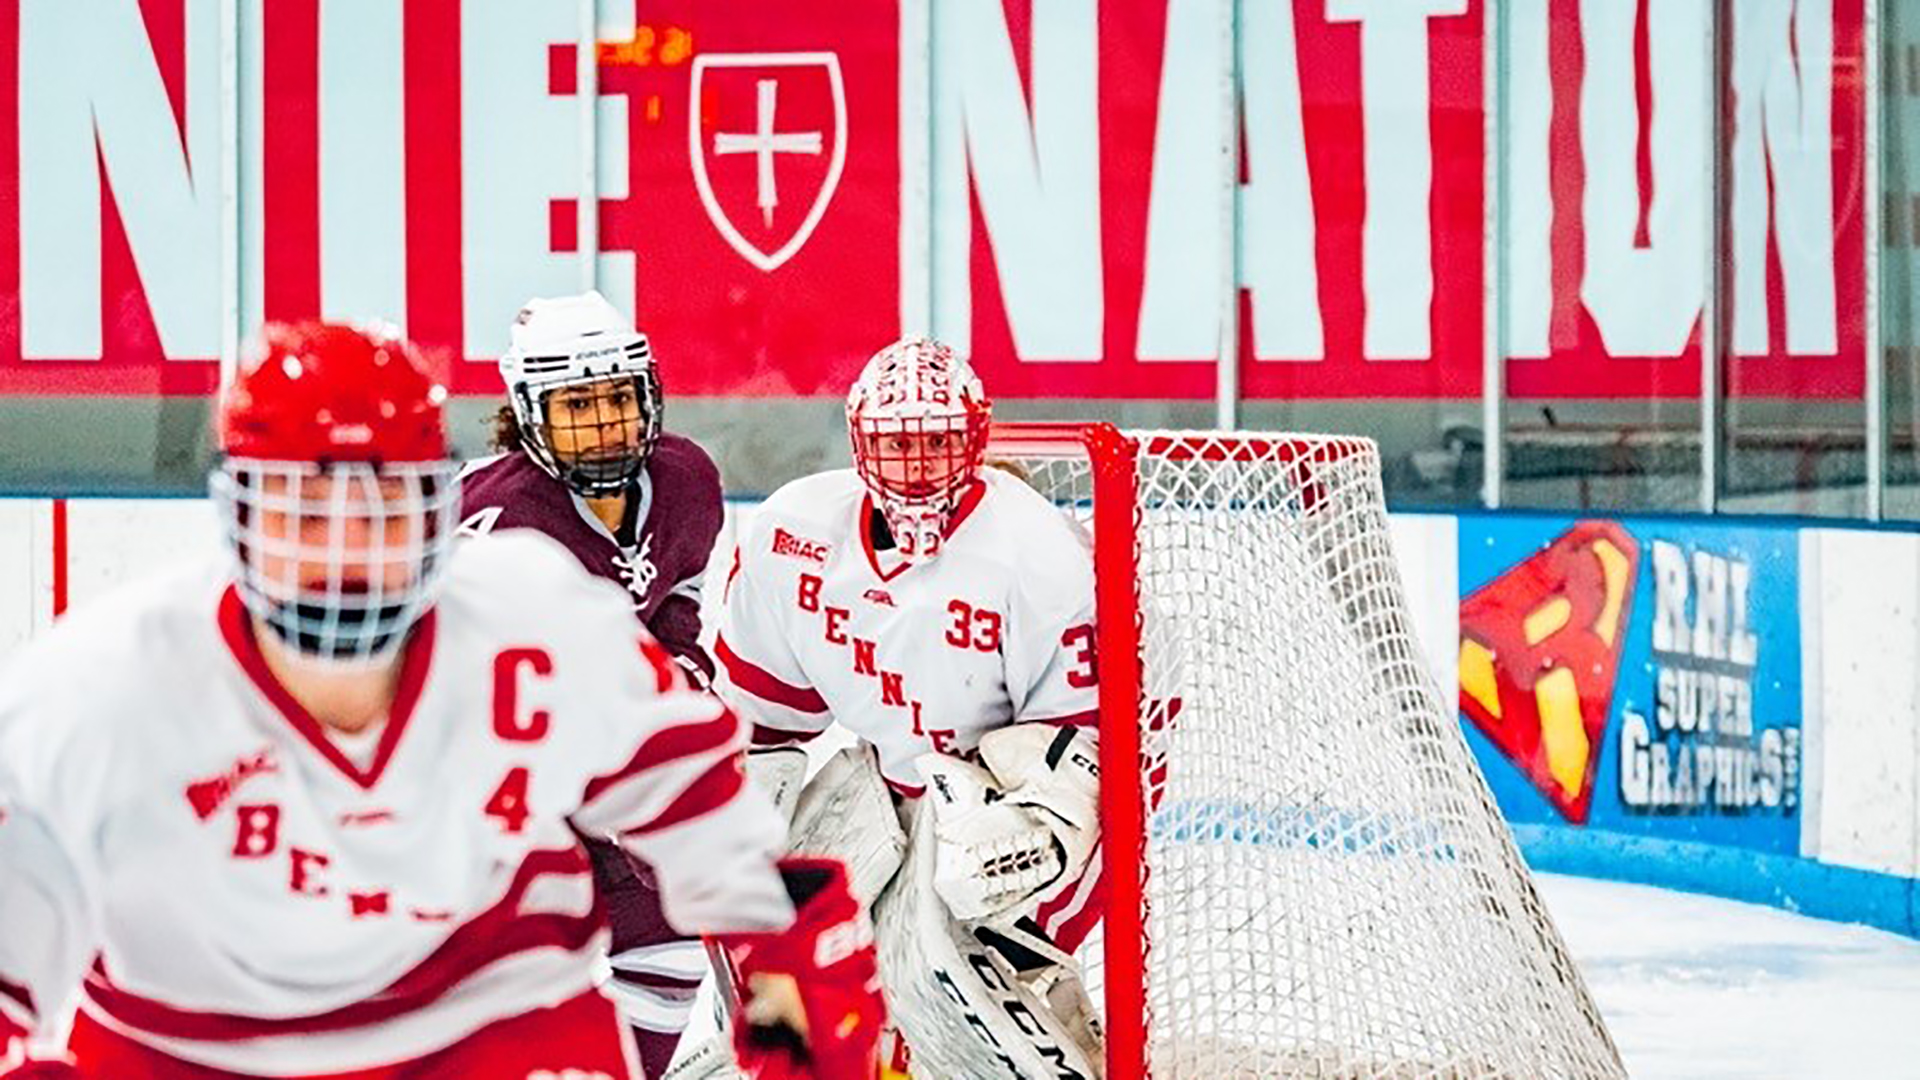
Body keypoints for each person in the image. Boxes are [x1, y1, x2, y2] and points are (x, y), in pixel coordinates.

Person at [0, 322, 881, 1079]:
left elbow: (689, 794)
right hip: (192, 1045)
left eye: (384, 508)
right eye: (303, 513)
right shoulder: (97, 693)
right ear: (235, 518)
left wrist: (772, 936)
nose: (345, 556)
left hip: (484, 1018)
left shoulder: (538, 619)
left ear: (438, 510)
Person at [710, 338, 1106, 1077]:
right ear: (860, 441)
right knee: (796, 970)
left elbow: (1097, 729)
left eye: (937, 442)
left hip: (1022, 800)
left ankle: (1034, 1000)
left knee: (957, 991)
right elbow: (763, 719)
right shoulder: (797, 534)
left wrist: (1046, 824)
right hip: (886, 787)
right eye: (897, 444)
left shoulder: (1041, 555)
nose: (916, 466)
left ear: (976, 440)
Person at [457, 292, 724, 1074]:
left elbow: (677, 595)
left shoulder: (686, 482)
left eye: (617, 397)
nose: (606, 422)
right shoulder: (493, 523)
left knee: (668, 934)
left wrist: (681, 666)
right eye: (578, 404)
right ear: (529, 413)